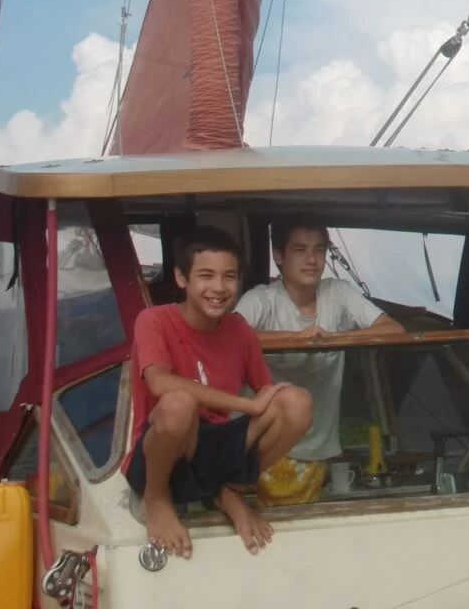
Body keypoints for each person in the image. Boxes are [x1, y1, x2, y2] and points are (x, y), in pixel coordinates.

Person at [124, 226, 312, 559]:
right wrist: (246, 405)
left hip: (215, 449)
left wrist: (269, 397)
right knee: (179, 404)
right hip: (162, 454)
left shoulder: (240, 329)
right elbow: (160, 384)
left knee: (297, 403)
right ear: (181, 278)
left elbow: (266, 392)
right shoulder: (153, 320)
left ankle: (230, 488)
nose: (219, 288)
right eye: (206, 276)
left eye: (229, 277)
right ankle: (157, 498)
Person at [235, 219, 404, 504]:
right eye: (300, 250)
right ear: (279, 256)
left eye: (319, 250)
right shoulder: (262, 299)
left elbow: (394, 330)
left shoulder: (337, 293)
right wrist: (300, 338)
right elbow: (231, 337)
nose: (311, 259)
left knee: (298, 527)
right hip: (260, 444)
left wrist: (332, 338)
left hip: (315, 446)